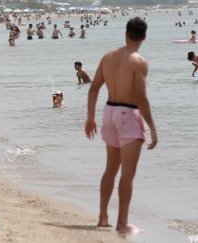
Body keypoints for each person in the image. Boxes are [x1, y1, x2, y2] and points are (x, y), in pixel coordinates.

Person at [85, 17, 158, 234]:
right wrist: (153, 128)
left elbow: (94, 88)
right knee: (128, 173)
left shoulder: (108, 56)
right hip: (127, 114)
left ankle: (102, 217)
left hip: (109, 111)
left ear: (126, 34)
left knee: (110, 168)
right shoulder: (139, 62)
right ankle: (122, 223)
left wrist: (90, 117)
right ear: (144, 37)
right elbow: (141, 98)